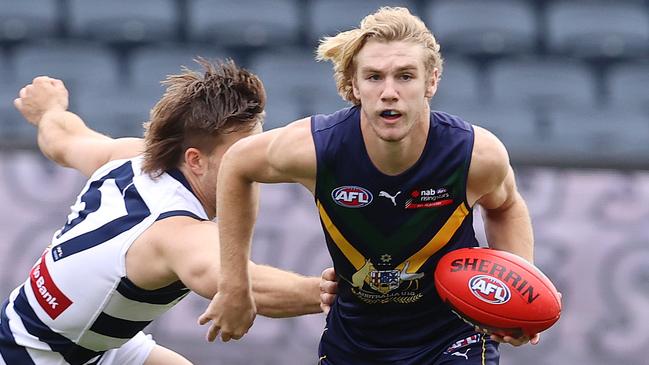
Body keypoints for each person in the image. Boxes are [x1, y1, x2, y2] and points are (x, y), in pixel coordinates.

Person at [199, 7, 540, 365]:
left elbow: (505, 206)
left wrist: (515, 292)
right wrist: (235, 285)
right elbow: (237, 165)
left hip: (453, 339)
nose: (389, 92)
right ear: (353, 86)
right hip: (354, 343)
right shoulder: (316, 149)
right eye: (374, 77)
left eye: (405, 76)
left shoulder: (474, 154)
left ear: (432, 80)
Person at [2, 59, 337, 365]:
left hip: (86, 343)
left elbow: (63, 138)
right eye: (240, 152)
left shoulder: (130, 157)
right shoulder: (177, 231)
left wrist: (48, 110)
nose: (255, 161)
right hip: (37, 356)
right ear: (195, 160)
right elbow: (245, 285)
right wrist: (341, 294)